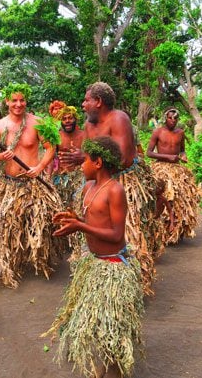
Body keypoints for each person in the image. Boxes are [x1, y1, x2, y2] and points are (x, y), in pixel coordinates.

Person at [44, 137, 143, 378]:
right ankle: (107, 367)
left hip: (113, 266)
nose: (81, 165)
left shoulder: (115, 190)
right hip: (95, 264)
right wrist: (72, 218)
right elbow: (89, 218)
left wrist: (80, 226)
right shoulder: (89, 187)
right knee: (97, 326)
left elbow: (116, 234)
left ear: (98, 162)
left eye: (85, 160)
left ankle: (115, 371)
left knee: (114, 329)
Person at [61, 81, 160, 295]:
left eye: (87, 100)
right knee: (92, 221)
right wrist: (80, 161)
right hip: (96, 182)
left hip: (122, 181)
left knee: (130, 232)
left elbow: (122, 159)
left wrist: (85, 158)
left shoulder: (119, 118)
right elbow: (89, 158)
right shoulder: (88, 125)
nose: (83, 104)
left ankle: (132, 283)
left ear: (98, 101)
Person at [0, 83, 62, 288]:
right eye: (14, 100)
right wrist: (0, 155)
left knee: (40, 223)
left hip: (32, 183)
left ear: (26, 101)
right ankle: (11, 264)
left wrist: (39, 166)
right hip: (7, 184)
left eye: (22, 100)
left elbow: (51, 147)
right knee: (3, 224)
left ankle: (38, 259)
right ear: (7, 101)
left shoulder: (38, 123)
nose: (18, 104)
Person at [146, 107, 201, 245]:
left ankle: (177, 228)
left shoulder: (180, 133)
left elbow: (182, 150)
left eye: (175, 118)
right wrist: (167, 157)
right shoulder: (158, 132)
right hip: (161, 168)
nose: (173, 121)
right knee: (161, 195)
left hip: (177, 169)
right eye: (170, 118)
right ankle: (158, 228)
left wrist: (183, 156)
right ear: (165, 118)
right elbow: (149, 153)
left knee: (180, 196)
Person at [53, 104, 86, 209]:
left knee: (78, 207)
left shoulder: (84, 135)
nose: (67, 121)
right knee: (62, 207)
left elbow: (91, 157)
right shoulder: (57, 136)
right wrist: (49, 177)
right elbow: (51, 157)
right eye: (64, 119)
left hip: (80, 177)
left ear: (75, 119)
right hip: (61, 177)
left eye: (70, 118)